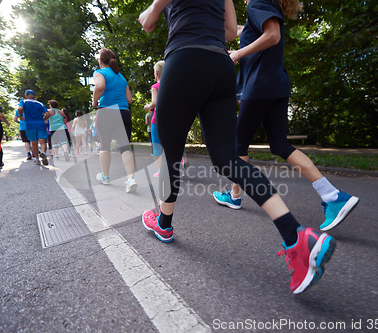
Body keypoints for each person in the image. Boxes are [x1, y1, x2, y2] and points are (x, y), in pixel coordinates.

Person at [139, 0, 336, 294]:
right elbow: (230, 31)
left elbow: (148, 20)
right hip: (220, 67)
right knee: (228, 158)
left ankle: (164, 223)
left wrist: (152, 11)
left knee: (170, 155)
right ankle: (296, 236)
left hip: (184, 60)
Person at [212, 0, 359, 232]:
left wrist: (238, 53)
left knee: (237, 147)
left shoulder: (257, 3)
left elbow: (272, 35)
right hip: (276, 86)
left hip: (260, 87)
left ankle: (235, 196)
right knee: (280, 145)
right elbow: (242, 31)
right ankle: (332, 195)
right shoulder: (264, 9)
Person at [92, 48, 137, 193]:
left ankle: (105, 177)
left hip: (106, 112)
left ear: (100, 60)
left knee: (105, 146)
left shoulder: (100, 73)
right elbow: (129, 99)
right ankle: (131, 179)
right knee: (125, 146)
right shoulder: (121, 77)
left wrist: (94, 101)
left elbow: (99, 86)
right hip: (123, 112)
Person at [144, 60, 165, 177]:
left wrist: (147, 106)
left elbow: (154, 103)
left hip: (157, 120)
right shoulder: (172, 85)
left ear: (156, 73)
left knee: (157, 146)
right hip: (171, 120)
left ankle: (161, 171)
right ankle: (180, 157)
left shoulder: (155, 86)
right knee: (169, 144)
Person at [17, 89, 49, 166]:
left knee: (33, 142)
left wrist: (21, 116)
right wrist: (43, 119)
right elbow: (47, 113)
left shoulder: (23, 101)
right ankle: (44, 153)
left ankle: (37, 159)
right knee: (42, 141)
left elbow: (20, 108)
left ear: (26, 95)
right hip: (40, 124)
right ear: (34, 96)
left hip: (30, 124)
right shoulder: (40, 103)